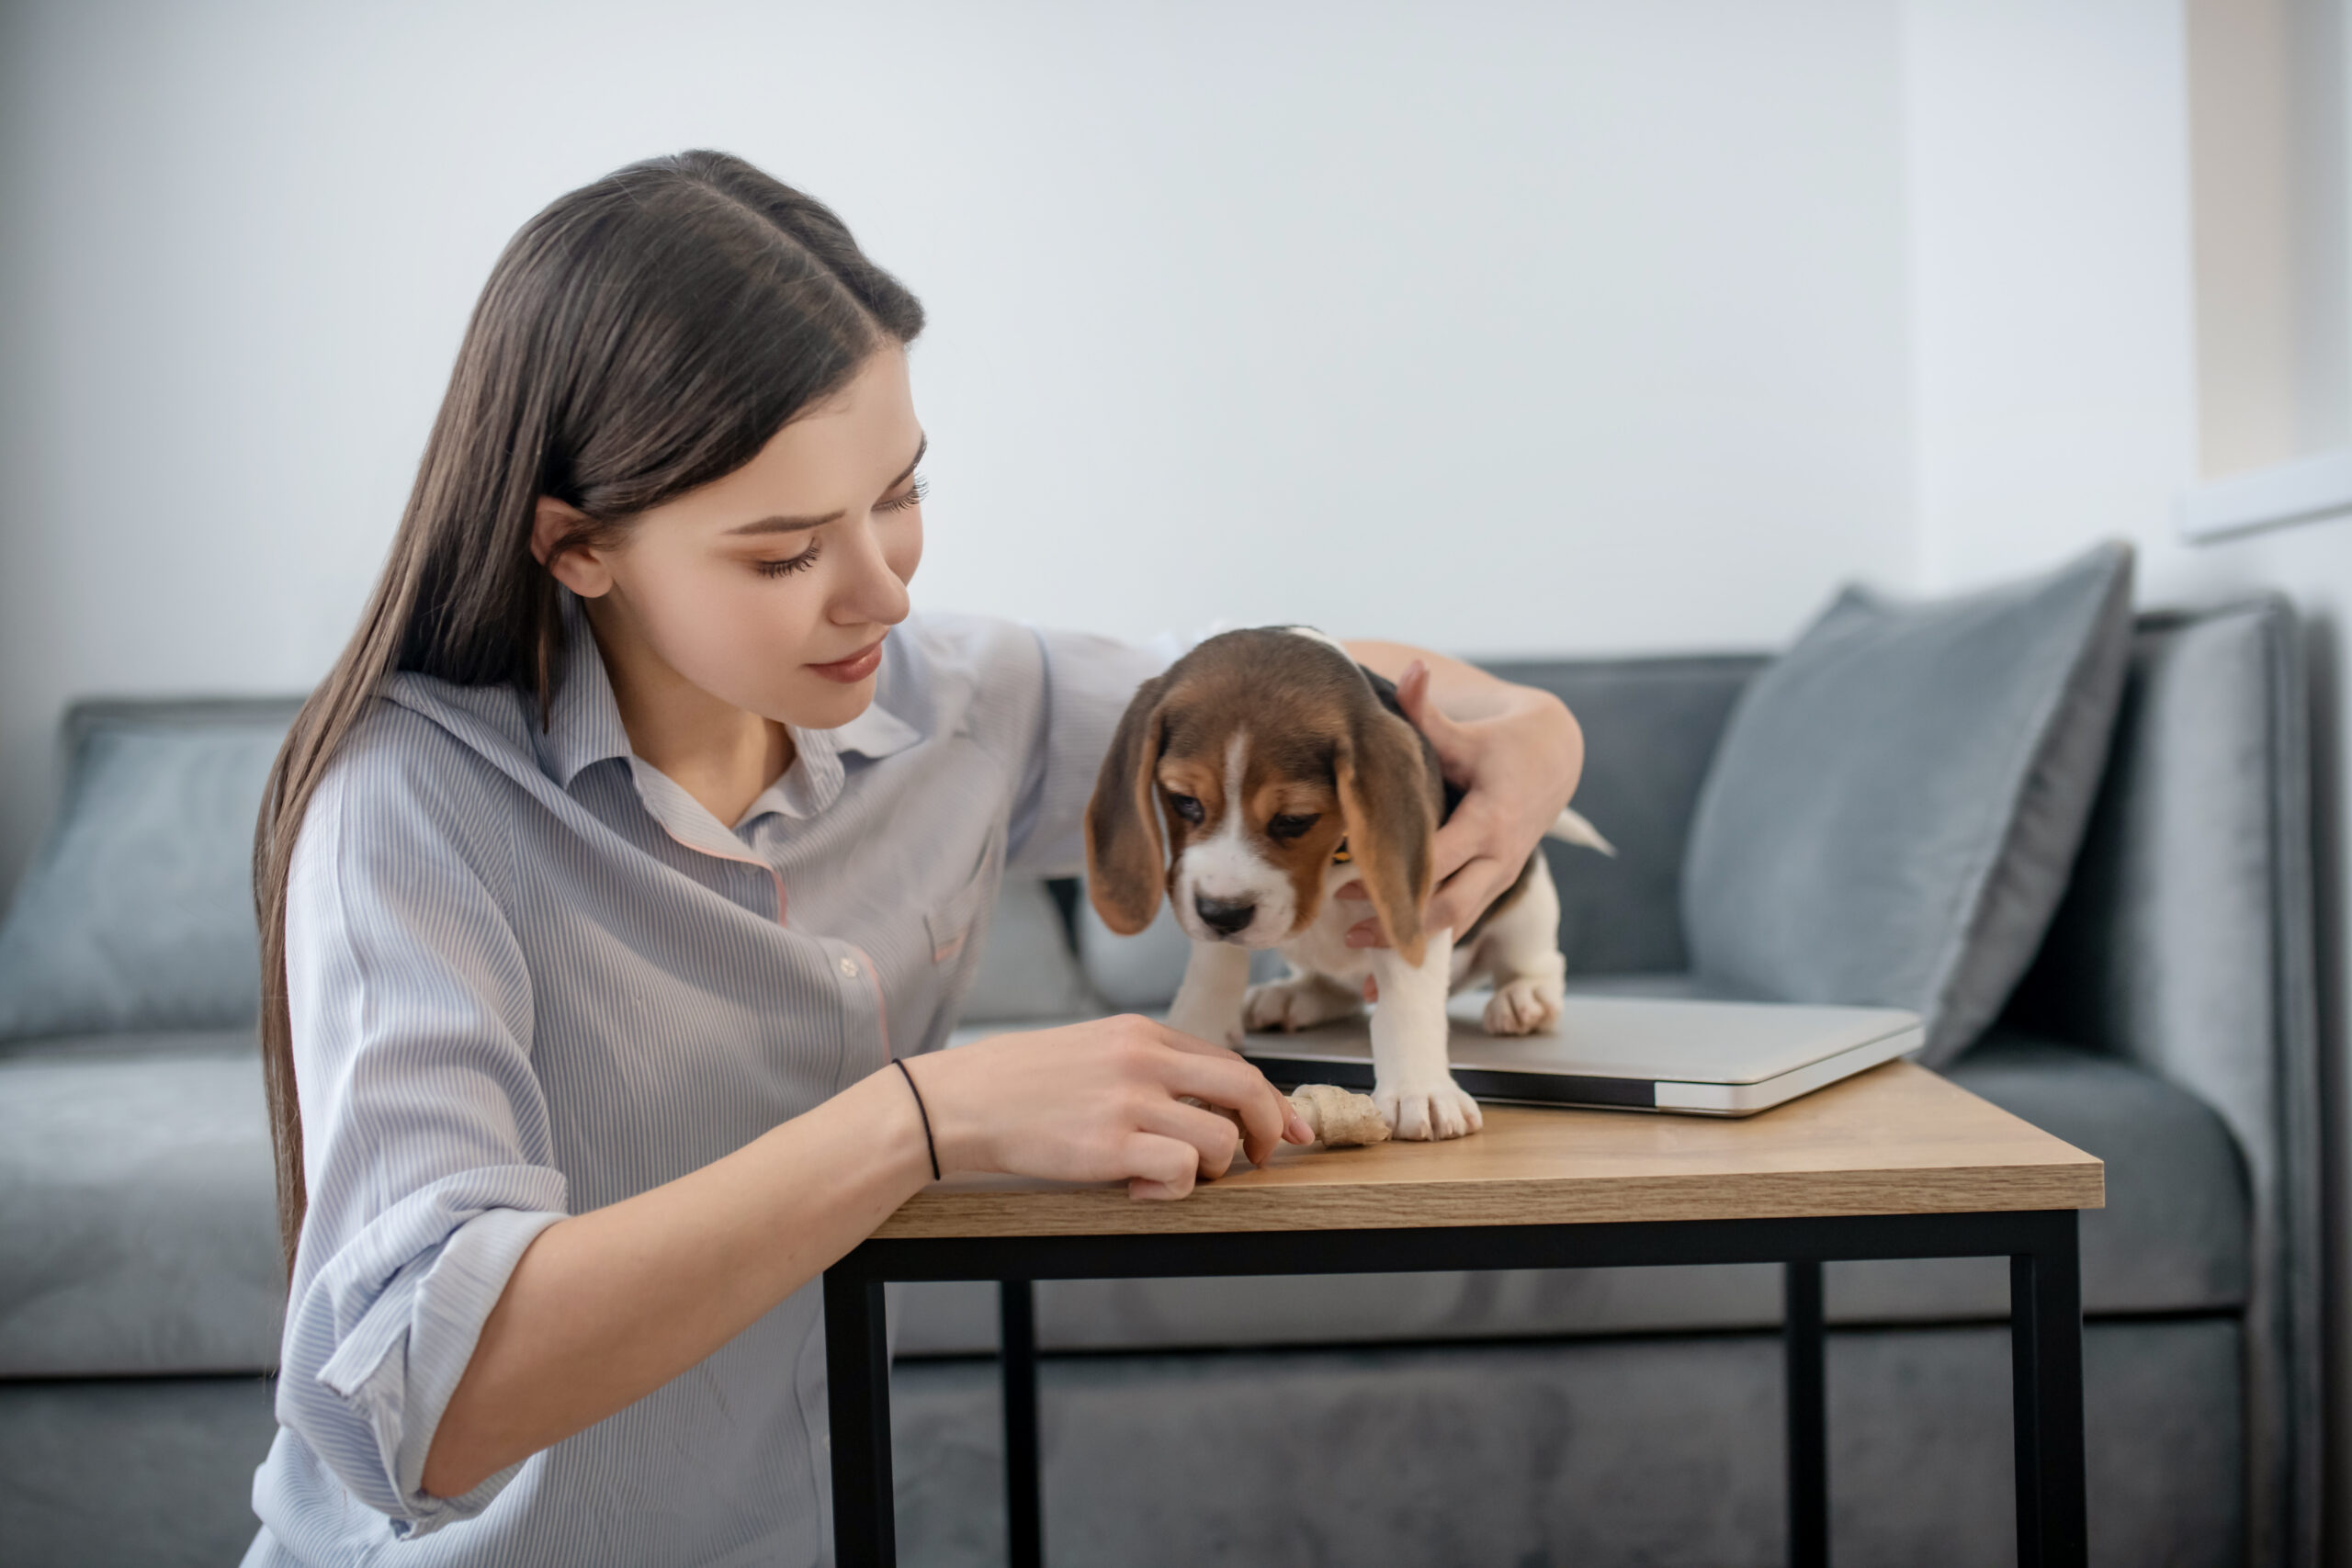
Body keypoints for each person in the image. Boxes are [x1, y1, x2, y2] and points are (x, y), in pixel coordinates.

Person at [240, 150, 1584, 1565]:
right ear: (580, 547)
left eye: (900, 493)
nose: (885, 586)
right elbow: (413, 1416)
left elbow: (1315, 683)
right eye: (783, 554)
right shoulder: (410, 806)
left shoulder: (955, 702)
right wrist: (921, 1123)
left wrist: (1533, 735)